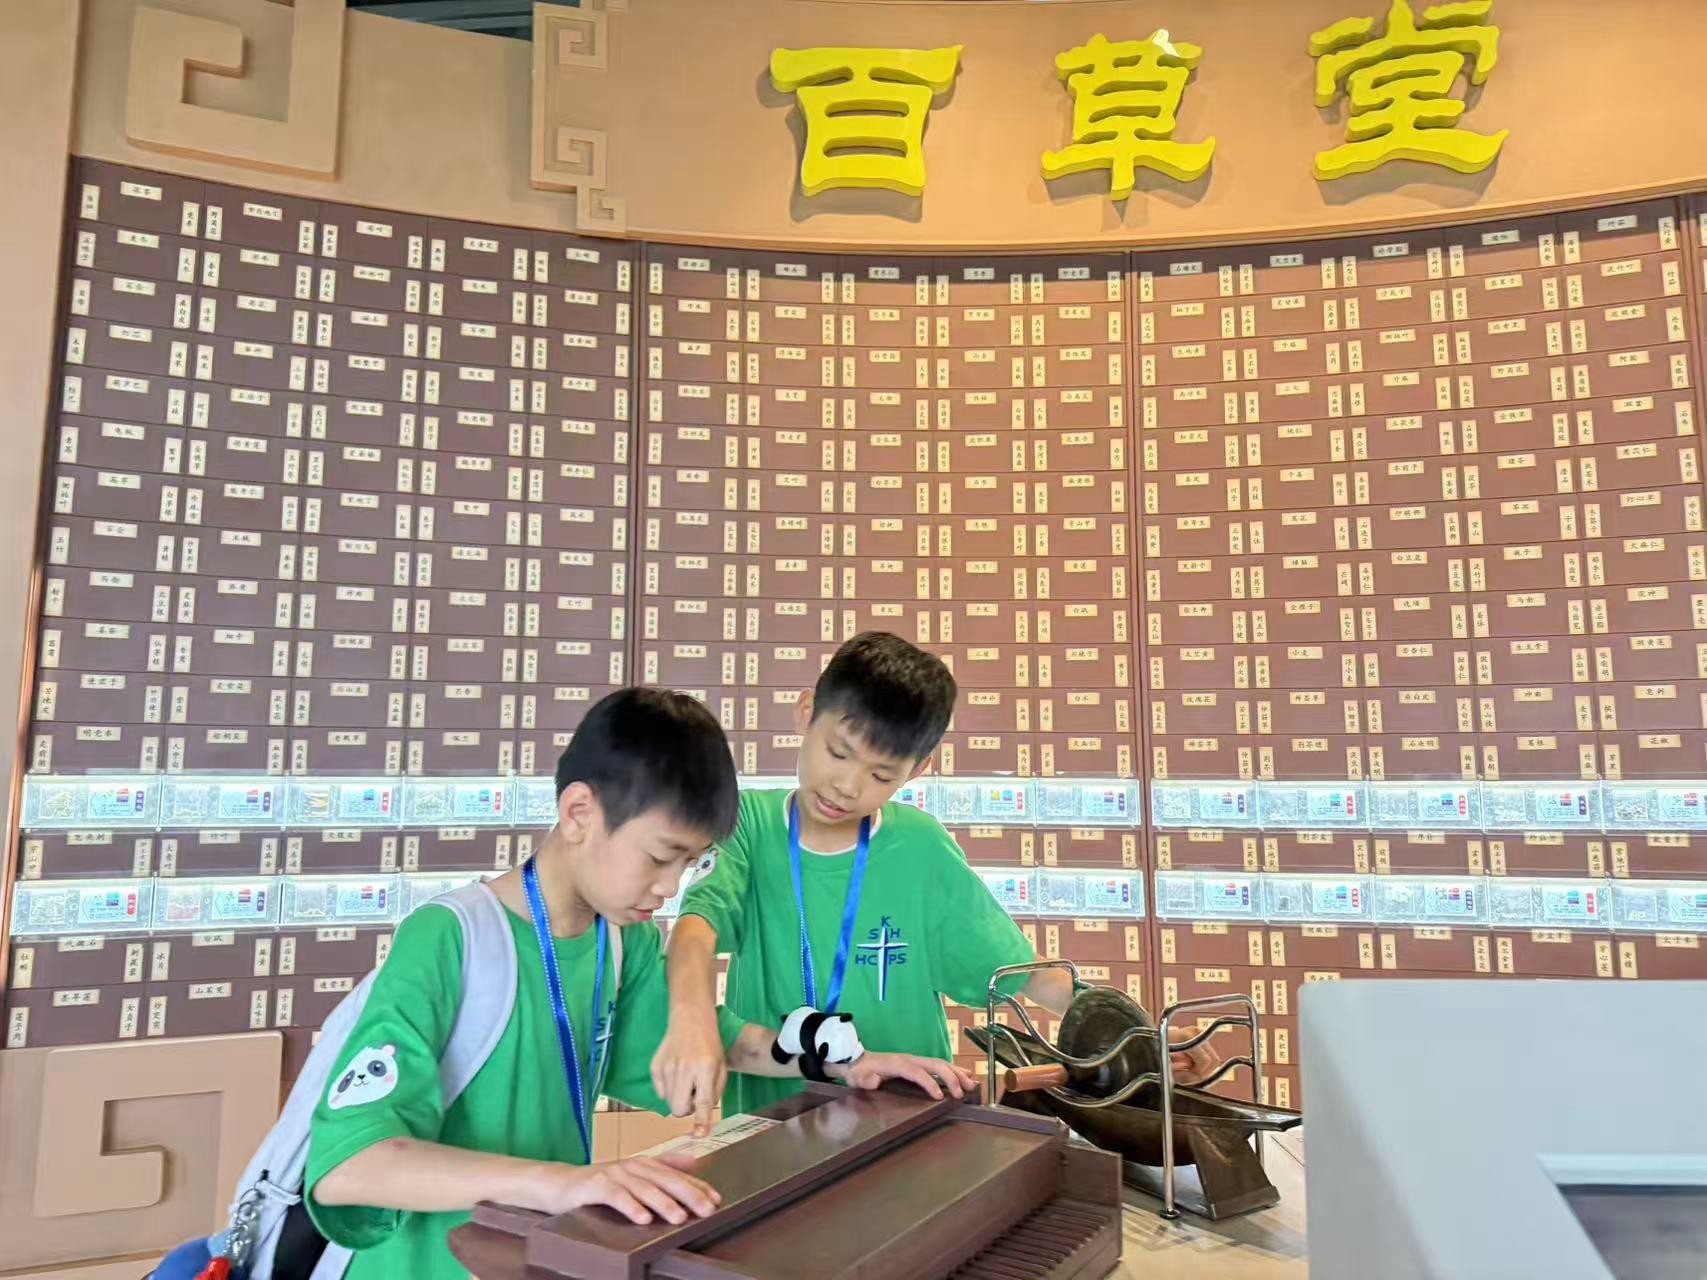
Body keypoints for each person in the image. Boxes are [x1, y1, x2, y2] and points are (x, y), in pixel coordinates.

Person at [306, 687, 973, 1279]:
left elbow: (720, 1042)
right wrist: (566, 1184)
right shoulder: (449, 938)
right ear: (579, 813)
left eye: (689, 865)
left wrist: (845, 1061)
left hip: (532, 1257)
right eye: (660, 857)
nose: (669, 888)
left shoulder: (621, 944)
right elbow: (348, 1166)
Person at [655, 632, 1215, 1132]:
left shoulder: (921, 847)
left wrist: (1137, 1039)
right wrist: (689, 1018)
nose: (847, 786)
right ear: (806, 713)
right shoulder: (749, 826)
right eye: (838, 753)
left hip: (905, 1117)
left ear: (918, 770)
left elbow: (1023, 975)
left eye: (881, 774)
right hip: (773, 1120)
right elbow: (696, 928)